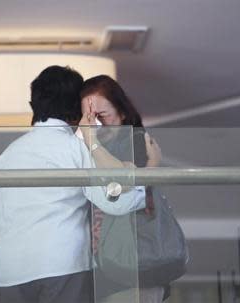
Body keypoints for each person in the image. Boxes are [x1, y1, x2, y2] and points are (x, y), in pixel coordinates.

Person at [0, 66, 147, 303]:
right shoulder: (76, 148)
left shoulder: (7, 154)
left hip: (10, 269)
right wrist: (142, 184)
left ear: (34, 104)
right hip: (62, 263)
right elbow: (116, 202)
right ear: (77, 109)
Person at [80, 75, 167, 303]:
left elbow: (126, 188)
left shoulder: (136, 144)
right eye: (89, 118)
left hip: (136, 273)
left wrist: (91, 141)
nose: (95, 125)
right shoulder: (87, 151)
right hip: (107, 273)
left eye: (101, 116)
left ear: (123, 113)